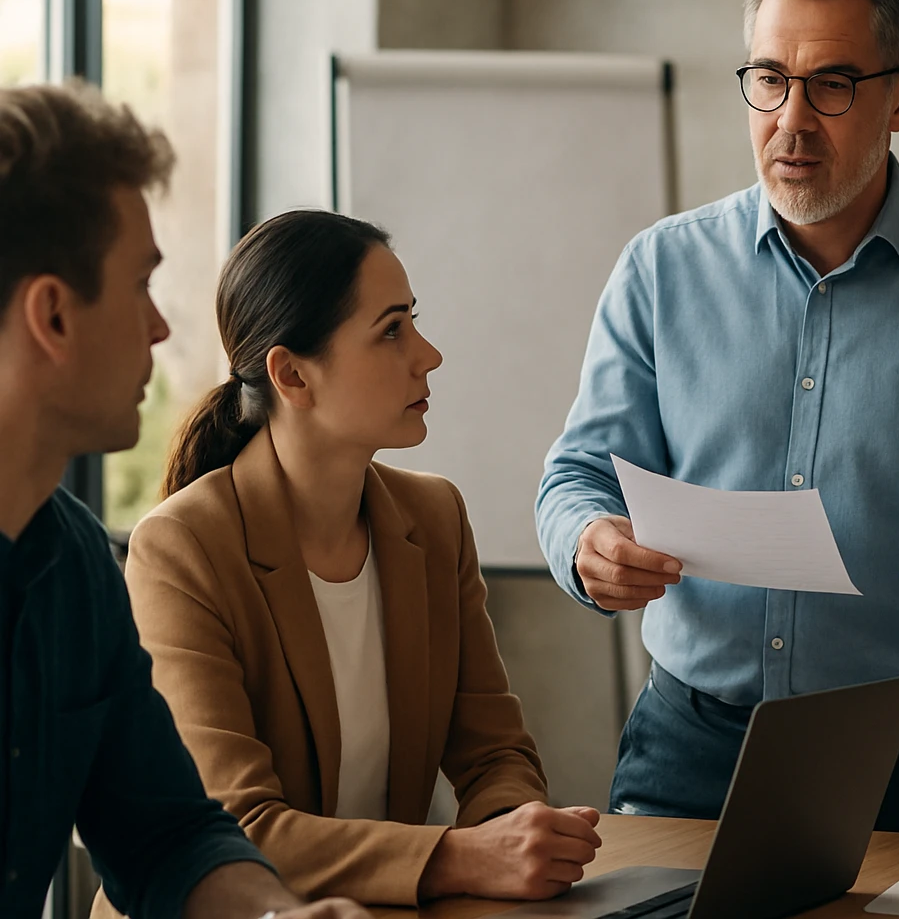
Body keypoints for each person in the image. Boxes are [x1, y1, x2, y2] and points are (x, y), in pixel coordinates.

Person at [536, 0, 899, 835]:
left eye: (831, 84)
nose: (790, 120)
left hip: (898, 756)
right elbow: (575, 479)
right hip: (685, 744)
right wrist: (587, 543)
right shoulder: (660, 269)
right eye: (768, 79)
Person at [92, 209, 603, 914]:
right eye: (391, 330)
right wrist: (459, 857)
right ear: (293, 376)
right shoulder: (181, 549)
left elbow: (495, 757)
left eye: (413, 321)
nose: (428, 354)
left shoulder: (435, 519)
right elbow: (235, 830)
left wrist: (510, 839)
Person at [0, 81, 369, 919]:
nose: (161, 329)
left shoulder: (79, 568)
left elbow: (166, 836)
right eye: (140, 286)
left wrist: (280, 917)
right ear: (53, 316)